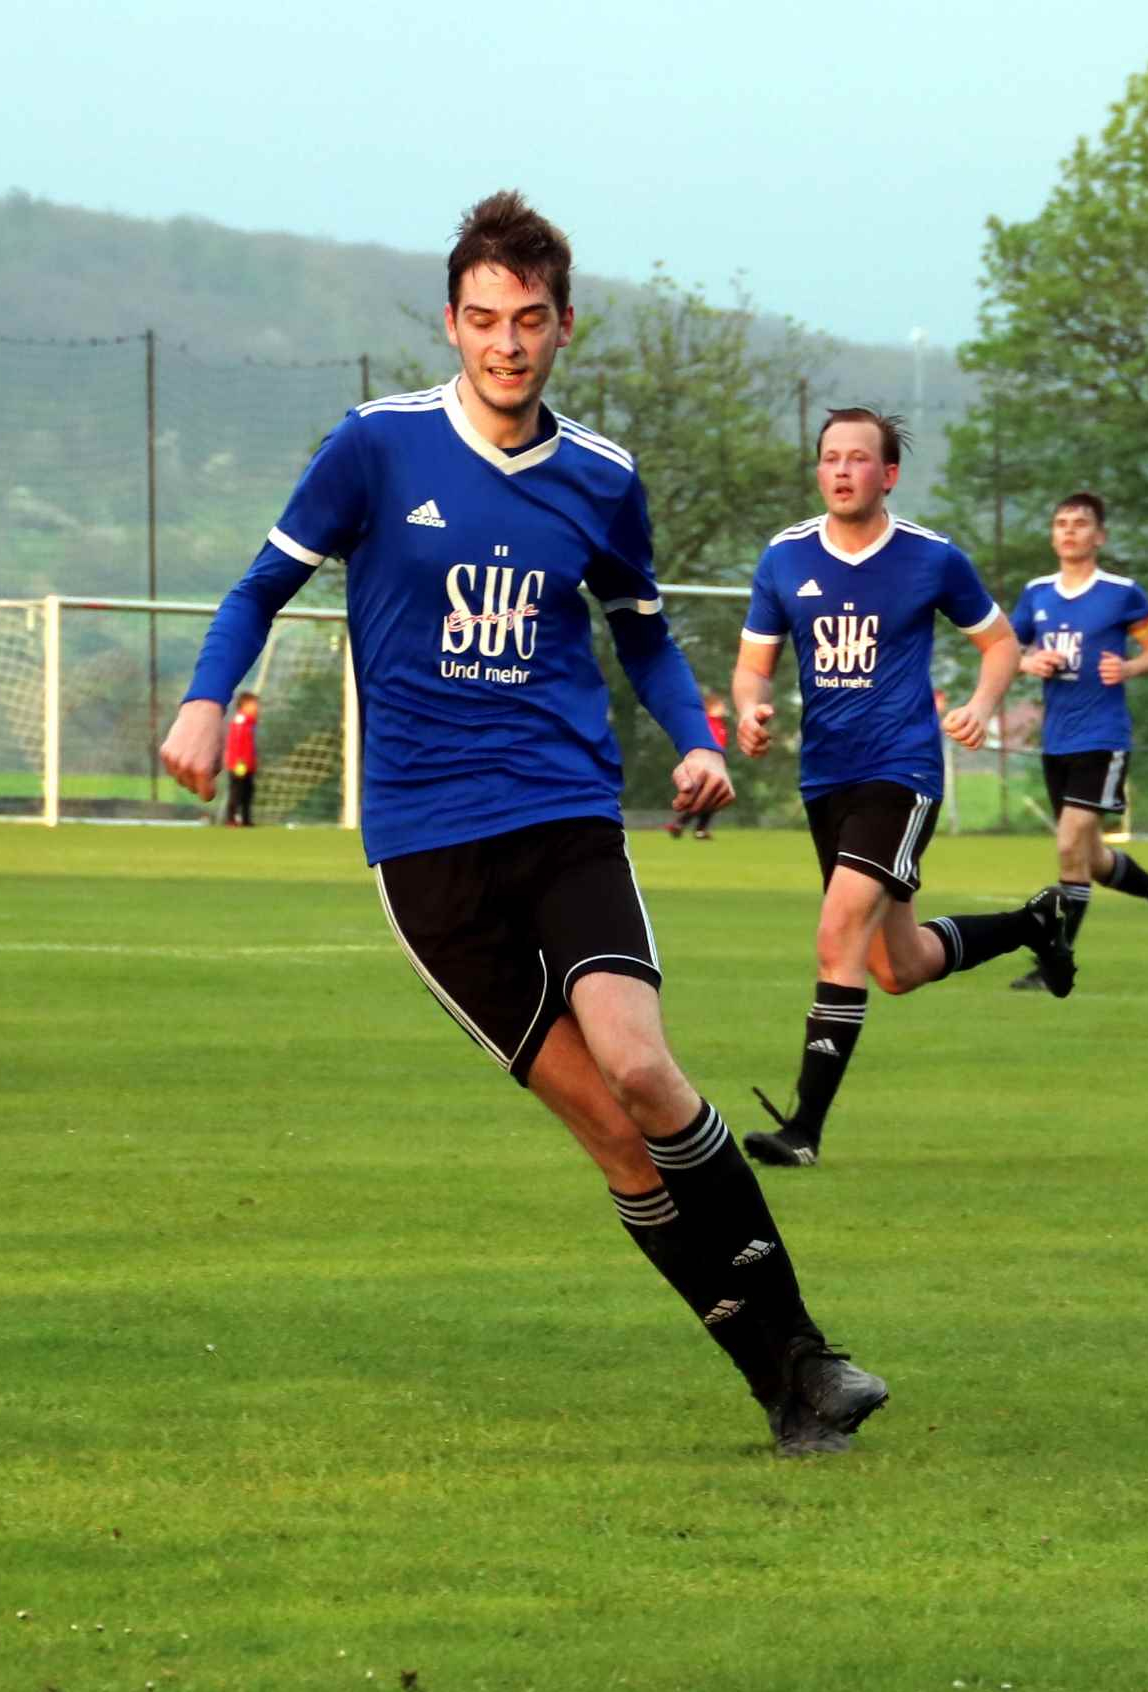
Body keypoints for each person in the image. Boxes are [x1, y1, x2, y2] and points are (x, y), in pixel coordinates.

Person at [157, 191, 884, 1458]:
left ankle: (812, 1355)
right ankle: (780, 1383)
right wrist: (204, 698)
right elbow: (259, 586)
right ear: (451, 322)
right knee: (606, 1127)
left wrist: (697, 738)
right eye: (484, 319)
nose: (506, 343)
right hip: (424, 846)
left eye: (529, 320)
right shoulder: (375, 447)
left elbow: (642, 633)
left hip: (561, 814)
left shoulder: (601, 477)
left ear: (563, 327)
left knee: (642, 1068)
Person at [727, 407, 1074, 1169]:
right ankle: (1032, 923)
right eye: (830, 457)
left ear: (888, 475)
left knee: (837, 934)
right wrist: (751, 708)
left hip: (901, 772)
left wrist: (981, 705)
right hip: (826, 778)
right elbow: (754, 665)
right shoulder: (785, 556)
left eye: (857, 458)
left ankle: (803, 1130)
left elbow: (1001, 644)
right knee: (898, 966)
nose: (841, 469)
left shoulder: (931, 557)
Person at [1005, 491, 1148, 990]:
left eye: (1081, 523)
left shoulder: (1121, 593)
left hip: (1103, 738)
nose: (1069, 531)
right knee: (1090, 857)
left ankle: (1054, 965)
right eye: (1061, 523)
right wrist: (1028, 662)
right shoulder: (1036, 594)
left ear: (1100, 536)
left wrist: (1129, 667)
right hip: (1056, 741)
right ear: (1053, 536)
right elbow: (1007, 650)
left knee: (1069, 843)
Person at [669, 691, 731, 839]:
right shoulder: (706, 723)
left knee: (711, 797)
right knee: (704, 797)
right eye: (720, 705)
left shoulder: (720, 724)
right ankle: (683, 825)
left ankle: (693, 828)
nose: (723, 708)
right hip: (704, 764)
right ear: (710, 707)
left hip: (716, 765)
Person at [225, 690, 260, 827]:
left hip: (248, 764)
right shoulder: (240, 721)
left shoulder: (251, 723)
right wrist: (240, 764)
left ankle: (246, 819)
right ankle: (231, 819)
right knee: (237, 790)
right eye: (253, 704)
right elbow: (237, 744)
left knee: (248, 791)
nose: (257, 708)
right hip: (239, 765)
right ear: (244, 705)